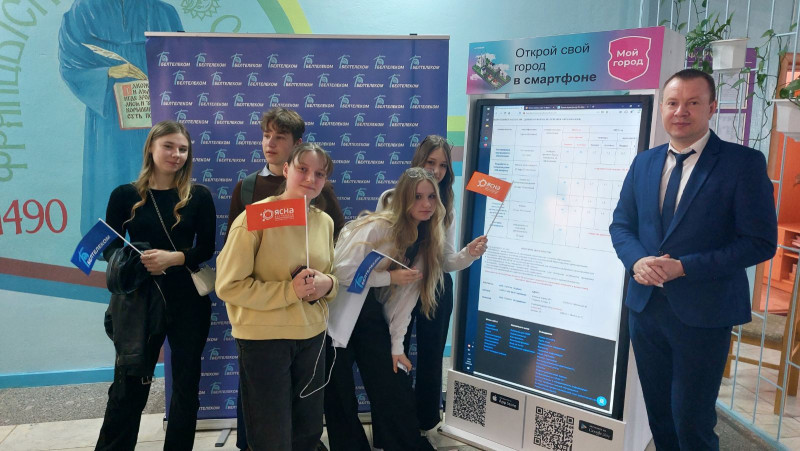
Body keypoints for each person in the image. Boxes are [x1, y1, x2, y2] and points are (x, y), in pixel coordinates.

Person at [609, 69, 777, 450]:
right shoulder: (644, 163)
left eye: (693, 102)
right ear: (663, 108)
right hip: (646, 310)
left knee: (692, 423)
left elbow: (759, 242)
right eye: (673, 102)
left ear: (711, 107)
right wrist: (637, 262)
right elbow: (621, 225)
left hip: (705, 313)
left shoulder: (742, 164)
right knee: (660, 419)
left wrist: (685, 267)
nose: (680, 111)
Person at [224, 107, 344, 451]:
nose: (310, 179)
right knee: (271, 437)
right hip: (265, 341)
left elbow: (332, 276)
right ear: (287, 169)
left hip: (312, 338)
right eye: (303, 169)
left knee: (307, 433)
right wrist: (289, 292)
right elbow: (229, 286)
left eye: (319, 174)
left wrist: (328, 285)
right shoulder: (255, 218)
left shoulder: (323, 222)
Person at [96, 120, 216, 451]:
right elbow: (109, 248)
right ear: (151, 147)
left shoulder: (199, 196)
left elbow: (206, 248)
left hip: (188, 301)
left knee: (186, 387)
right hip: (141, 303)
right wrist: (137, 259)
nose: (176, 154)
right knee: (128, 384)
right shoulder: (124, 195)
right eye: (168, 146)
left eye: (183, 149)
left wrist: (174, 258)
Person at [326, 167, 452, 451]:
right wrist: (388, 277)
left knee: (392, 386)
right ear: (404, 197)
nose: (426, 204)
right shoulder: (379, 226)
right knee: (339, 397)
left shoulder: (426, 240)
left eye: (431, 196)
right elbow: (341, 273)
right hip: (338, 315)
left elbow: (404, 301)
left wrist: (397, 346)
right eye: (417, 196)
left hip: (370, 318)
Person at [376, 135, 488, 437]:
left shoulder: (446, 206)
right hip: (398, 287)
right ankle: (391, 428)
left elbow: (446, 262)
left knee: (430, 357)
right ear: (418, 162)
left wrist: (468, 254)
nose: (437, 171)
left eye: (443, 165)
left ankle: (425, 424)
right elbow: (379, 254)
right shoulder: (390, 199)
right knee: (393, 354)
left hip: (435, 289)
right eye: (430, 163)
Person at [58, 0, 184, 235]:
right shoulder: (84, 10)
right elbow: (71, 62)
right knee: (110, 177)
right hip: (109, 119)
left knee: (156, 173)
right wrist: (110, 72)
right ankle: (109, 245)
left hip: (155, 115)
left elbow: (181, 63)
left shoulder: (164, 12)